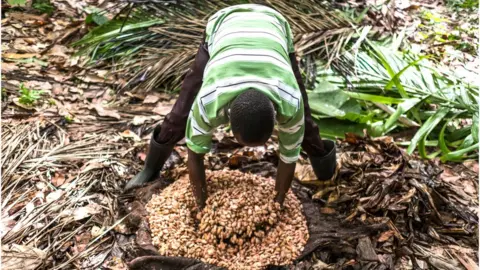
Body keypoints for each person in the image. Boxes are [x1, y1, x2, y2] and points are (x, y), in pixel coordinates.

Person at [125, 4, 336, 208]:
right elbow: (195, 156)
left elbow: (288, 159)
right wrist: (203, 206)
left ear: (275, 117)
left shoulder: (290, 101)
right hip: (222, 26)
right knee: (180, 115)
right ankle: (150, 169)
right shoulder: (209, 101)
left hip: (275, 27)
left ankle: (326, 173)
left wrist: (277, 205)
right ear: (227, 121)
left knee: (304, 122)